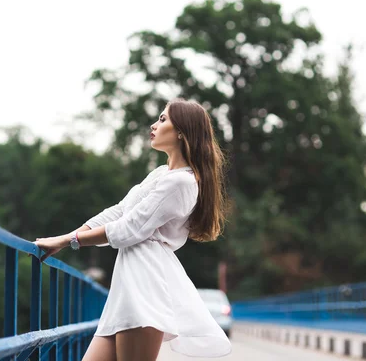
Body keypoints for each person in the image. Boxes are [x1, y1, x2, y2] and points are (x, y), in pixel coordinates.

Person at [34, 98, 232, 360]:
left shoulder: (181, 182)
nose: (154, 124)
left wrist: (68, 241)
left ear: (182, 131)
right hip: (126, 288)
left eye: (163, 120)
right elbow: (119, 211)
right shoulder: (161, 174)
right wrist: (69, 236)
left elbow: (128, 229)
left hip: (144, 289)